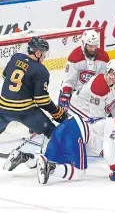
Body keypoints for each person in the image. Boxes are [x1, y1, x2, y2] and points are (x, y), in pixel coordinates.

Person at [5, 112, 115, 184]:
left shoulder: (111, 126)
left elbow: (113, 153)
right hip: (75, 133)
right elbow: (109, 153)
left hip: (65, 127)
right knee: (78, 172)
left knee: (48, 159)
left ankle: (24, 157)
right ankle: (50, 169)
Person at [0, 36, 67, 170]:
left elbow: (5, 75)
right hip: (24, 112)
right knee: (52, 131)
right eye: (44, 54)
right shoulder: (41, 70)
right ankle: (44, 161)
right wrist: (57, 112)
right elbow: (41, 100)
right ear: (37, 53)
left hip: (3, 108)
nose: (44, 57)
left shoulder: (16, 57)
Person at [59, 29, 109, 111]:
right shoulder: (75, 57)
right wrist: (66, 96)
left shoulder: (103, 58)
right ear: (83, 43)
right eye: (90, 46)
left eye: (95, 46)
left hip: (90, 95)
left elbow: (103, 80)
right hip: (74, 92)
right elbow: (69, 81)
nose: (93, 49)